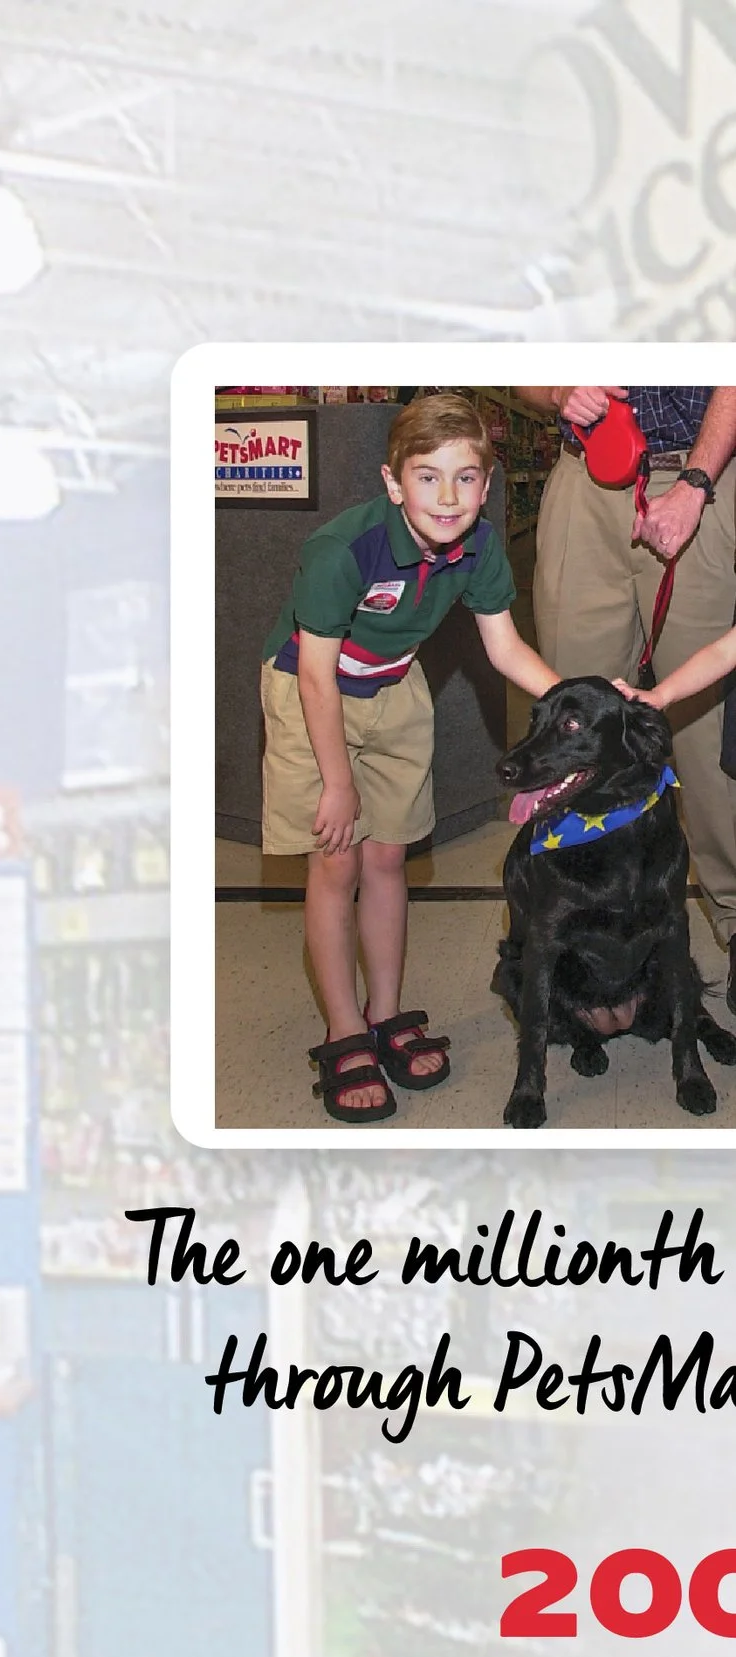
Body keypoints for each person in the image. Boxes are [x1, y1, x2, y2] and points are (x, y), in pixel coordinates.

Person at [259, 392, 561, 1122]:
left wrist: (584, 700)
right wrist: (337, 781)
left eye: (466, 477)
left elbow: (506, 647)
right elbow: (314, 674)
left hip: (394, 687)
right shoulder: (344, 549)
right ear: (394, 483)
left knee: (387, 857)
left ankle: (386, 1011)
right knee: (335, 858)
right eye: (428, 477)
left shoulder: (481, 544)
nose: (448, 496)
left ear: (487, 486)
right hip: (312, 693)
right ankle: (344, 1029)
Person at [517, 385, 736, 951]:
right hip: (584, 475)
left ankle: (733, 912)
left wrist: (697, 482)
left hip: (697, 471)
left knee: (705, 728)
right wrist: (556, 390)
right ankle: (575, 915)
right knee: (570, 720)